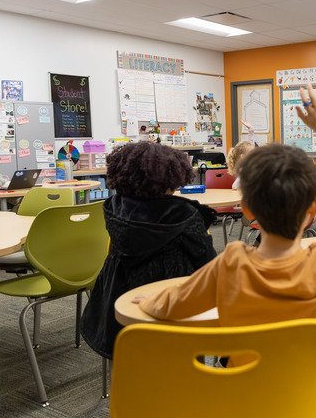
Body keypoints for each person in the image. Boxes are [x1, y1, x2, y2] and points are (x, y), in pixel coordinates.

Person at [138, 83, 316, 346]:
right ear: (313, 210)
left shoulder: (231, 265)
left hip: (244, 386)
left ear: (246, 208)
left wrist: (149, 301)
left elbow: (174, 303)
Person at [80, 141, 218, 360]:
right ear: (171, 178)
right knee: (180, 359)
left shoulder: (115, 207)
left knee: (129, 355)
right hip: (170, 295)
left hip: (119, 291)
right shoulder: (182, 213)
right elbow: (207, 260)